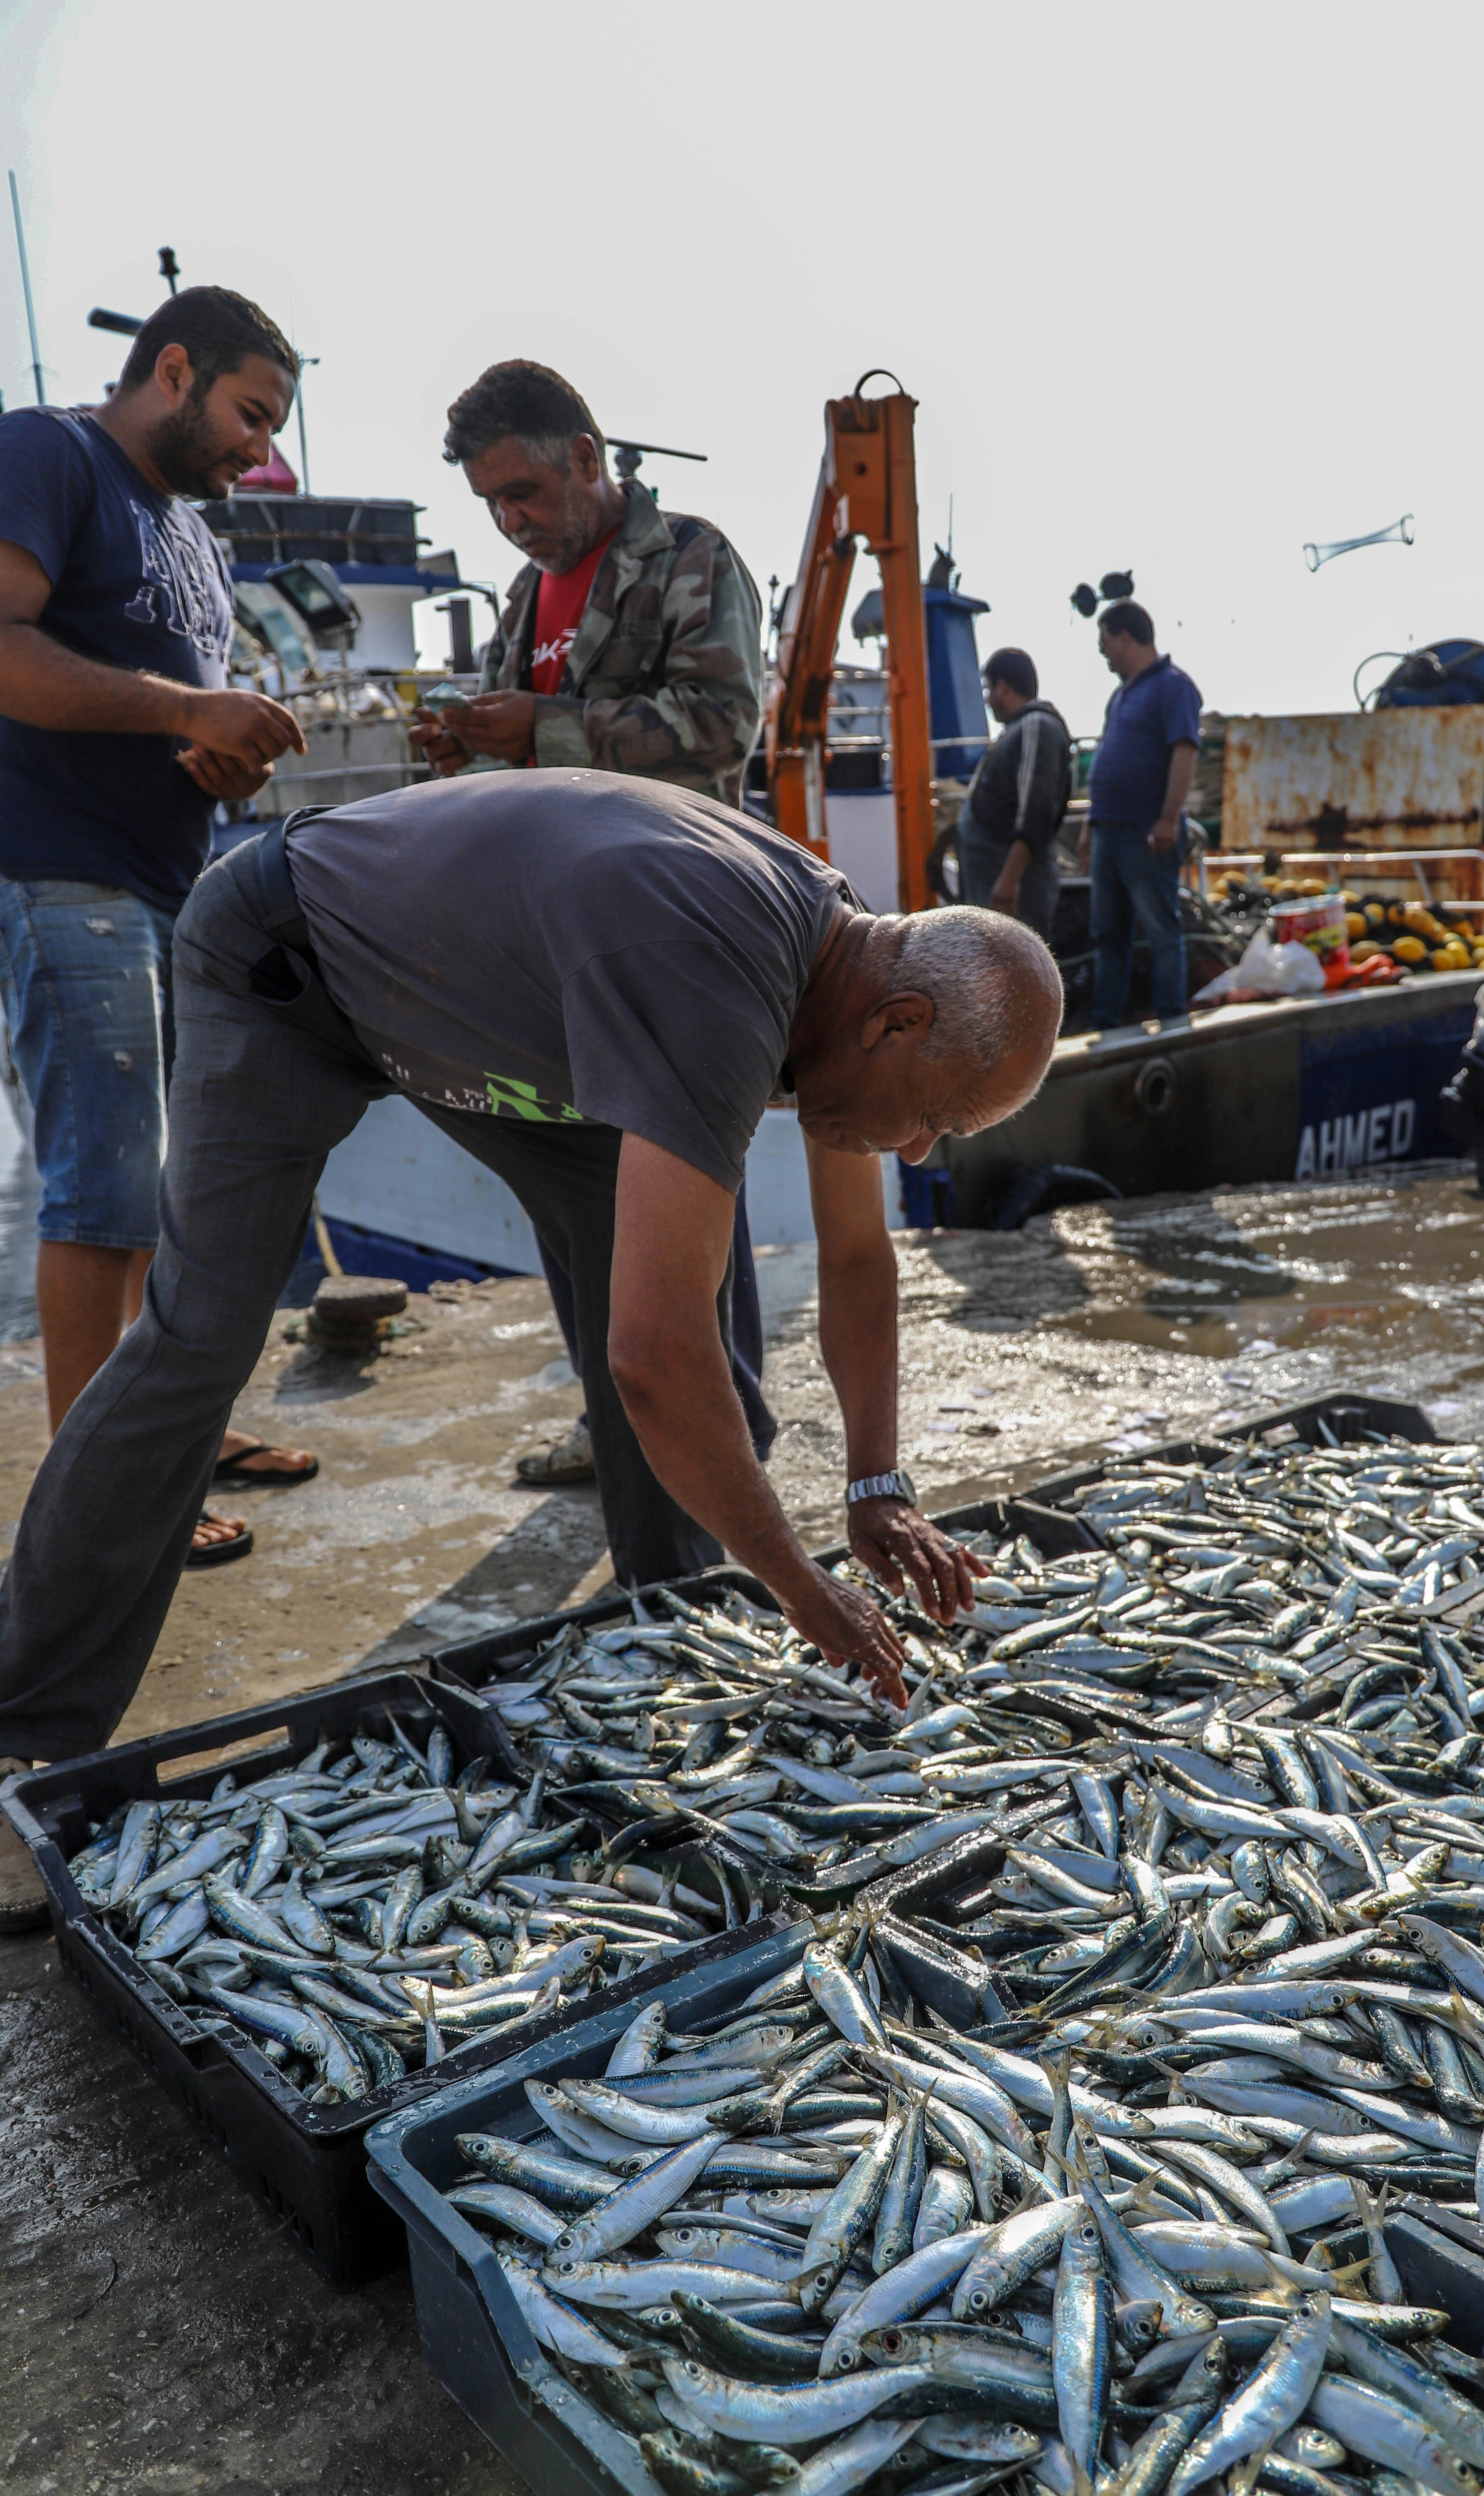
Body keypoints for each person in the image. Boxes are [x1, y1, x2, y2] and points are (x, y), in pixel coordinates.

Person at [0, 769, 1063, 1928]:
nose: (913, 1151)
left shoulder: (838, 972)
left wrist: (874, 1482)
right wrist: (800, 1583)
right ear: (896, 1022)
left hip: (494, 1014)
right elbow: (650, 1361)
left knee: (684, 1306)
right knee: (199, 1339)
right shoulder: (719, 972)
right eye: (935, 1121)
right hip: (287, 957)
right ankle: (19, 1732)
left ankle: (669, 1627)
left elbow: (858, 1260)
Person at [0, 287, 321, 1587]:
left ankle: (164, 1430)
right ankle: (103, 1495)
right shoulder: (46, 452)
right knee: (105, 1191)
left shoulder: (196, 535)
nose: (258, 450)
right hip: (59, 873)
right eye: (250, 415)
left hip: (171, 880)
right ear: (172, 369)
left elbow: (160, 713)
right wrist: (190, 701)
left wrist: (210, 753)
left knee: (184, 1189)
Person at [408, 360, 769, 1490]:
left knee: (689, 1193)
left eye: (521, 493)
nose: (511, 523)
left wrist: (542, 725)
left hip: (671, 924)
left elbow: (720, 724)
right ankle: (613, 1423)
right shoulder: (526, 598)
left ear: (584, 458)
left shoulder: (694, 560)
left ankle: (731, 1435)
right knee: (579, 1197)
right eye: (490, 507)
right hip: (552, 941)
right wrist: (471, 741)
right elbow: (526, 736)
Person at [1086, 600, 1202, 1029]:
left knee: (1160, 931)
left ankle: (1172, 1022)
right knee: (1107, 935)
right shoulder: (1120, 695)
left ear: (1125, 637)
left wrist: (1168, 819)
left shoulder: (1174, 686)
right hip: (1109, 833)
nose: (1103, 652)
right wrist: (1090, 829)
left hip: (1145, 832)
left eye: (1105, 642)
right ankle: (1106, 1024)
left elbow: (1184, 750)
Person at [954, 647, 1071, 939]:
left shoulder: (1036, 726)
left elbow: (1036, 809)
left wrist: (1009, 880)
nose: (986, 698)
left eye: (988, 688)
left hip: (1014, 892)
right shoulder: (1018, 729)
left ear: (1003, 687)